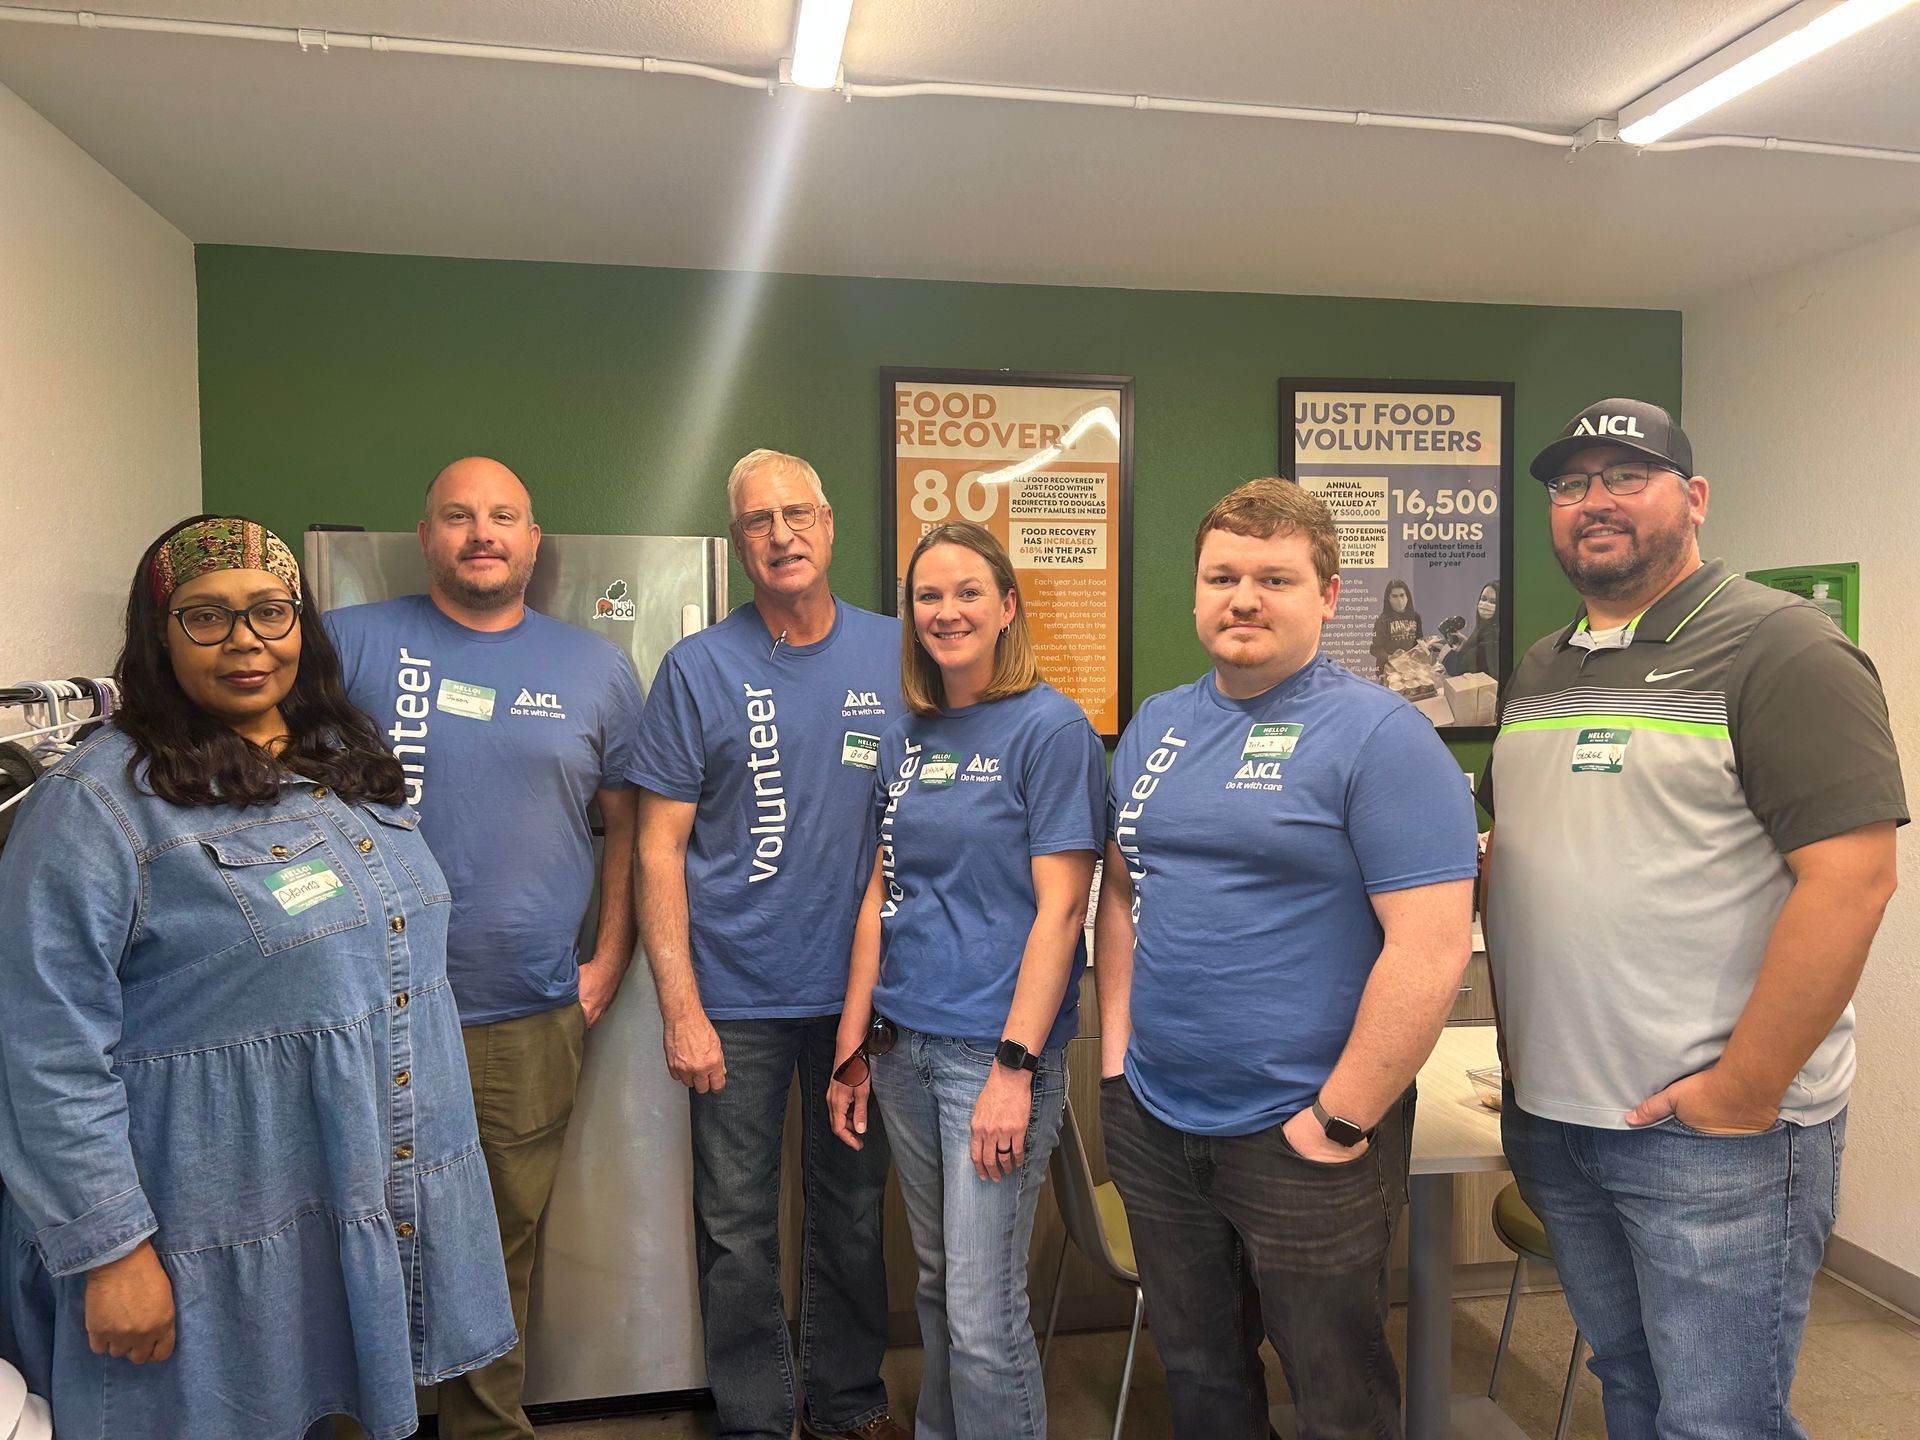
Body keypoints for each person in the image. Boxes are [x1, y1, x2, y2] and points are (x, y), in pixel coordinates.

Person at [0, 515, 514, 1440]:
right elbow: (43, 1045)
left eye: (270, 612)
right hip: (197, 1237)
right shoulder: (96, 807)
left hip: (339, 1195)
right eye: (206, 618)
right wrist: (111, 1251)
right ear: (158, 639)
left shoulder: (340, 765)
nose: (246, 641)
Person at [1482, 399, 1906, 1440]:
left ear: (1694, 498)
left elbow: (1854, 882)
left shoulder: (1782, 647)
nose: (1595, 502)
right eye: (1572, 485)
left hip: (1713, 1136)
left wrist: (1743, 1089)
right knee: (1628, 1384)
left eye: (1626, 475)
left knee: (1719, 1420)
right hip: (1558, 1122)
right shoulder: (1540, 669)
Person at [1095, 480, 1478, 1440]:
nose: (1244, 598)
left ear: (1329, 595)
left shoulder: (1384, 736)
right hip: (1157, 1118)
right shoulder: (1157, 724)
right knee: (1202, 1377)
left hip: (1303, 1135)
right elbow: (1123, 894)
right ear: (1195, 592)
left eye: (1275, 577)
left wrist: (1340, 1117)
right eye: (1223, 575)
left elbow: (1428, 950)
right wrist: (1113, 1063)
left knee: (1337, 1397)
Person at [325, 458, 647, 1440]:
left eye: (502, 516)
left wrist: (608, 960)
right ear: (425, 536)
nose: (481, 533)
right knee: (351, 1235)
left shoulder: (595, 669)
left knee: (497, 1249)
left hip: (528, 1012)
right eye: (458, 515)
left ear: (532, 540)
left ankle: (484, 1429)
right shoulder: (344, 645)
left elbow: (632, 826)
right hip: (358, 1016)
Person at [632, 450, 906, 1440]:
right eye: (759, 522)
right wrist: (680, 1007)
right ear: (738, 541)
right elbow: (656, 850)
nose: (782, 535)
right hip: (733, 1003)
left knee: (854, 1215)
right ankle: (754, 1420)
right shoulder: (698, 669)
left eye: (798, 515)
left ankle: (846, 1406)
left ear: (830, 526)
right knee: (736, 1229)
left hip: (864, 1003)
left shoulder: (899, 652)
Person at [828, 521, 1104, 1440]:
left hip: (992, 1056)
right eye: (928, 596)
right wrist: (853, 1046)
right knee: (943, 1288)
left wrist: (1016, 1067)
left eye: (967, 592)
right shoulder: (905, 731)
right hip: (901, 1048)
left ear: (1007, 607)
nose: (946, 611)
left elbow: (1061, 912)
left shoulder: (1052, 728)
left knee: (986, 1316)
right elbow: (881, 890)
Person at [1441, 581, 1499, 676]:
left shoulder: (1494, 637)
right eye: (1483, 599)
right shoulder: (1484, 628)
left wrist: (1448, 654)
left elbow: (1459, 669)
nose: (1485, 605)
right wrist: (1467, 644)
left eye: (1493, 602)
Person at [1369, 577, 1423, 678]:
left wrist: (1425, 646)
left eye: (1402, 595)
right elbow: (1375, 649)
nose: (1399, 600)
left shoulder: (1415, 617)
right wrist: (1391, 658)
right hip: (1387, 671)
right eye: (1394, 596)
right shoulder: (1382, 620)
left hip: (1408, 669)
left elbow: (1418, 642)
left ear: (1407, 596)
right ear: (1388, 599)